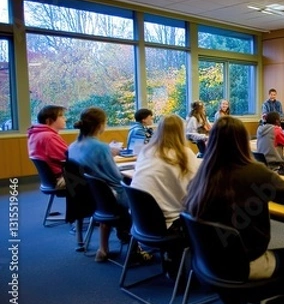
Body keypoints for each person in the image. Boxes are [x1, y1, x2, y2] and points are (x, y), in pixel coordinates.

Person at [184, 116, 284, 295]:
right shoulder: (256, 173)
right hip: (240, 264)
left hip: (205, 261)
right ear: (242, 142)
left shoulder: (203, 174)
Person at [68, 107, 148, 263]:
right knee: (143, 197)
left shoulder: (72, 147)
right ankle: (134, 242)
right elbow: (116, 176)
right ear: (100, 125)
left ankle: (109, 244)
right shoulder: (101, 147)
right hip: (111, 197)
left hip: (90, 197)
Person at [131, 114, 200, 276]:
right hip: (167, 226)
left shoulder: (146, 151)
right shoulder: (184, 154)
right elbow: (196, 190)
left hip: (141, 222)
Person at [27, 105, 68, 188]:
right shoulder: (49, 137)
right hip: (61, 178)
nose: (65, 119)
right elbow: (69, 157)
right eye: (61, 116)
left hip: (50, 179)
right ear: (49, 120)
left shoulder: (35, 134)